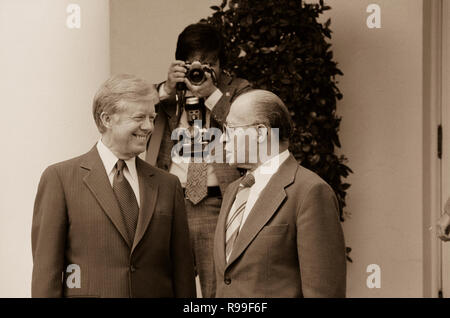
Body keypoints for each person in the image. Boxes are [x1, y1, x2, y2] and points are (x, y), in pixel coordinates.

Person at [31, 74, 196, 298]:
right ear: (107, 119)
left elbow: (182, 272)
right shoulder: (60, 178)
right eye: (139, 117)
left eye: (152, 117)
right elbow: (46, 273)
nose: (148, 126)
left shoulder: (168, 184)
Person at [146, 22, 251, 298]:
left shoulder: (237, 90)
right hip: (170, 203)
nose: (201, 70)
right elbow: (134, 106)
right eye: (193, 62)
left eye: (209, 63)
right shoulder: (171, 92)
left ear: (221, 64)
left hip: (216, 205)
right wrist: (166, 89)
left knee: (217, 289)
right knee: (166, 287)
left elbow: (250, 128)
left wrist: (212, 96)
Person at [213, 89, 347, 298]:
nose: (222, 139)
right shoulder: (233, 190)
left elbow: (324, 292)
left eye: (230, 129)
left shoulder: (310, 191)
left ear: (260, 132)